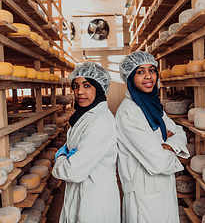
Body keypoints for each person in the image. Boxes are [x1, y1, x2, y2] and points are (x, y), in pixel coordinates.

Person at [116, 51, 190, 223]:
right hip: (144, 194)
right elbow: (159, 162)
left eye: (152, 70)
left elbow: (180, 132)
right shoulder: (129, 112)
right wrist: (167, 143)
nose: (148, 76)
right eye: (140, 72)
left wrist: (167, 145)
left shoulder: (153, 106)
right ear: (130, 78)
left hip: (163, 189)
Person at [52, 61, 120, 223]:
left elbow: (73, 170)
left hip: (95, 198)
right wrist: (69, 156)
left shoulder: (101, 120)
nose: (79, 92)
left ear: (99, 88)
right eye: (75, 86)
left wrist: (60, 159)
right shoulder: (85, 116)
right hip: (82, 193)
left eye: (87, 85)